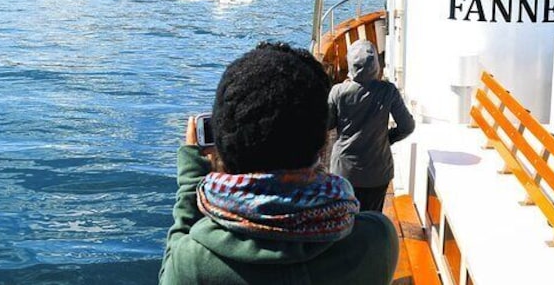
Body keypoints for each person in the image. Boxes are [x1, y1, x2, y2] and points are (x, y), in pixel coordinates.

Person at [159, 42, 399, 285]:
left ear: (223, 145)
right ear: (323, 144)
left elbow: (170, 269)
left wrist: (191, 177)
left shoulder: (192, 263)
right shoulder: (376, 241)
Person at [328, 39, 415, 212]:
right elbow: (407, 126)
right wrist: (387, 139)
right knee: (372, 220)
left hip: (344, 171)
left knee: (345, 220)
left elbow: (326, 124)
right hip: (377, 172)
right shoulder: (388, 91)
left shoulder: (338, 91)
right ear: (376, 65)